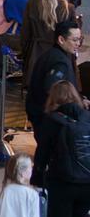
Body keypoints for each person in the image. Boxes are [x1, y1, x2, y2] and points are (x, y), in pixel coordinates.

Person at [42, 80, 90, 217]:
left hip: (62, 182)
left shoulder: (52, 120)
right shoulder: (87, 118)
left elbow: (43, 153)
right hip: (87, 183)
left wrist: (36, 179)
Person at [32, 23, 85, 182]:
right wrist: (76, 105)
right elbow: (55, 91)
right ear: (61, 39)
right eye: (74, 40)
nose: (78, 43)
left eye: (79, 39)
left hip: (41, 113)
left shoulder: (51, 55)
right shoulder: (59, 61)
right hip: (49, 119)